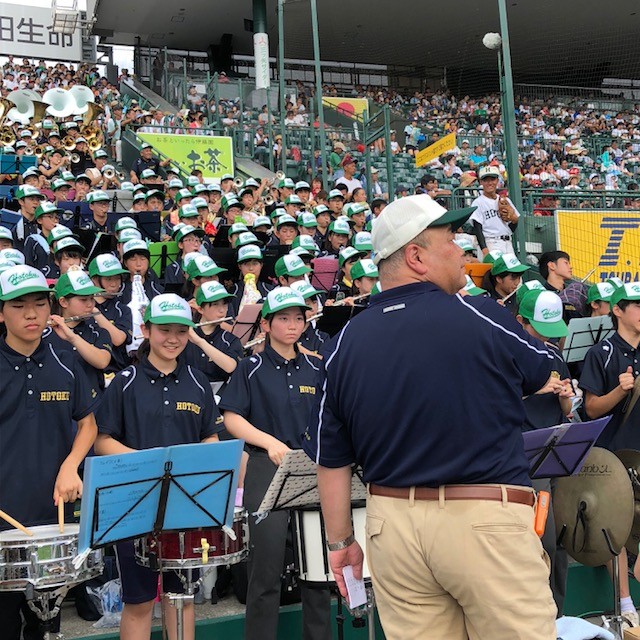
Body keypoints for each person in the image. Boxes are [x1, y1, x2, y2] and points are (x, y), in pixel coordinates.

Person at [303, 195, 557, 640]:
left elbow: (332, 460)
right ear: (416, 256)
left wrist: (340, 542)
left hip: (392, 528)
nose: (463, 250)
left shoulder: (343, 341)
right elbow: (542, 370)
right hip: (483, 520)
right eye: (451, 239)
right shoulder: (480, 314)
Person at [94, 293, 224, 640]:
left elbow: (209, 438)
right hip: (135, 507)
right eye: (163, 329)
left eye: (181, 331)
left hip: (185, 508)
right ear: (146, 329)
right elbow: (102, 440)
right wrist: (147, 465)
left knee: (181, 599)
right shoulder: (124, 382)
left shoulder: (198, 382)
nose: (172, 338)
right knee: (138, 602)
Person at [220, 287, 332, 640]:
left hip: (313, 471)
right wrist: (269, 443)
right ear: (266, 324)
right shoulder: (249, 368)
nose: (292, 325)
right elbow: (232, 417)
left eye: (298, 318)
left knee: (316, 571)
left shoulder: (317, 366)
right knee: (265, 570)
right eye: (283, 318)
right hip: (266, 468)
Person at [0, 265, 99, 640]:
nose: (30, 314)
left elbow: (88, 423)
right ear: (1, 312)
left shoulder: (66, 361)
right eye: (18, 305)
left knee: (46, 625)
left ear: (50, 308)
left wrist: (71, 466)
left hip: (51, 517)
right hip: (3, 517)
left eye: (39, 304)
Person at [579, 282, 640, 628]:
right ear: (617, 310)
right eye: (636, 305)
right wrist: (620, 389)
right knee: (614, 528)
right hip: (613, 454)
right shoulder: (600, 352)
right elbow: (589, 409)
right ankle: (625, 601)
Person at [470, 166, 520, 255]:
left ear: (497, 180)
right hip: (490, 243)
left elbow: (511, 228)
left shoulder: (505, 201)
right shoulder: (478, 203)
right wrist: (484, 250)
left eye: (492, 179)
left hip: (507, 242)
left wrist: (515, 220)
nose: (490, 183)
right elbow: (477, 229)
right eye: (486, 180)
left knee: (512, 269)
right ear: (481, 182)